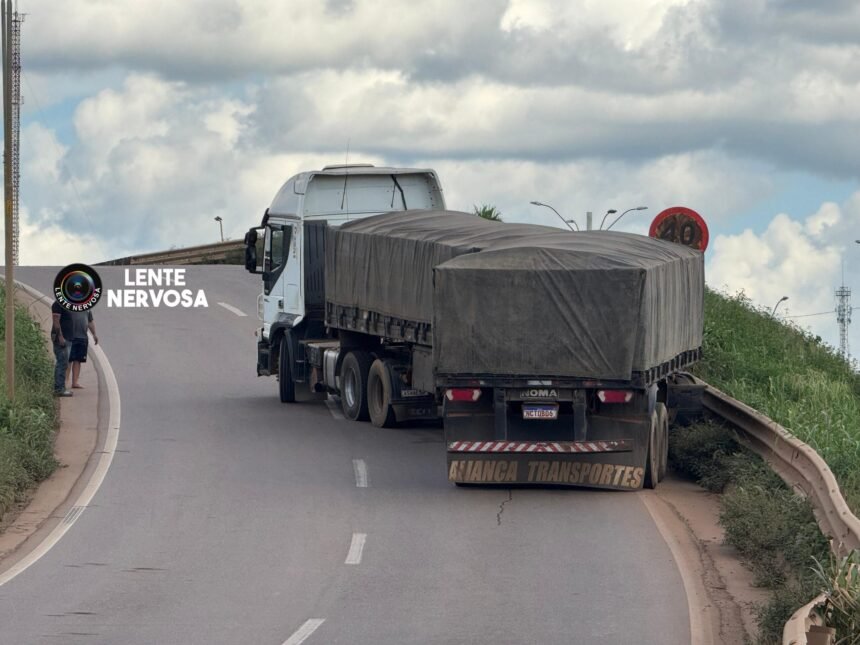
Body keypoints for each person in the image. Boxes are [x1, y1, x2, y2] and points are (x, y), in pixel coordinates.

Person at [67, 310, 98, 389]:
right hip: (70, 336)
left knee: (78, 360)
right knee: (68, 360)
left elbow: (90, 321)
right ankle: (64, 382)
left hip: (82, 337)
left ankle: (75, 382)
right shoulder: (69, 305)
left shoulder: (87, 308)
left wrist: (94, 334)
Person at [51, 301, 74, 397]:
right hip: (62, 339)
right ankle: (59, 389)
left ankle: (60, 387)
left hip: (67, 337)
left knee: (63, 363)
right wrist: (60, 337)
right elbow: (56, 321)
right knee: (62, 363)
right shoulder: (58, 304)